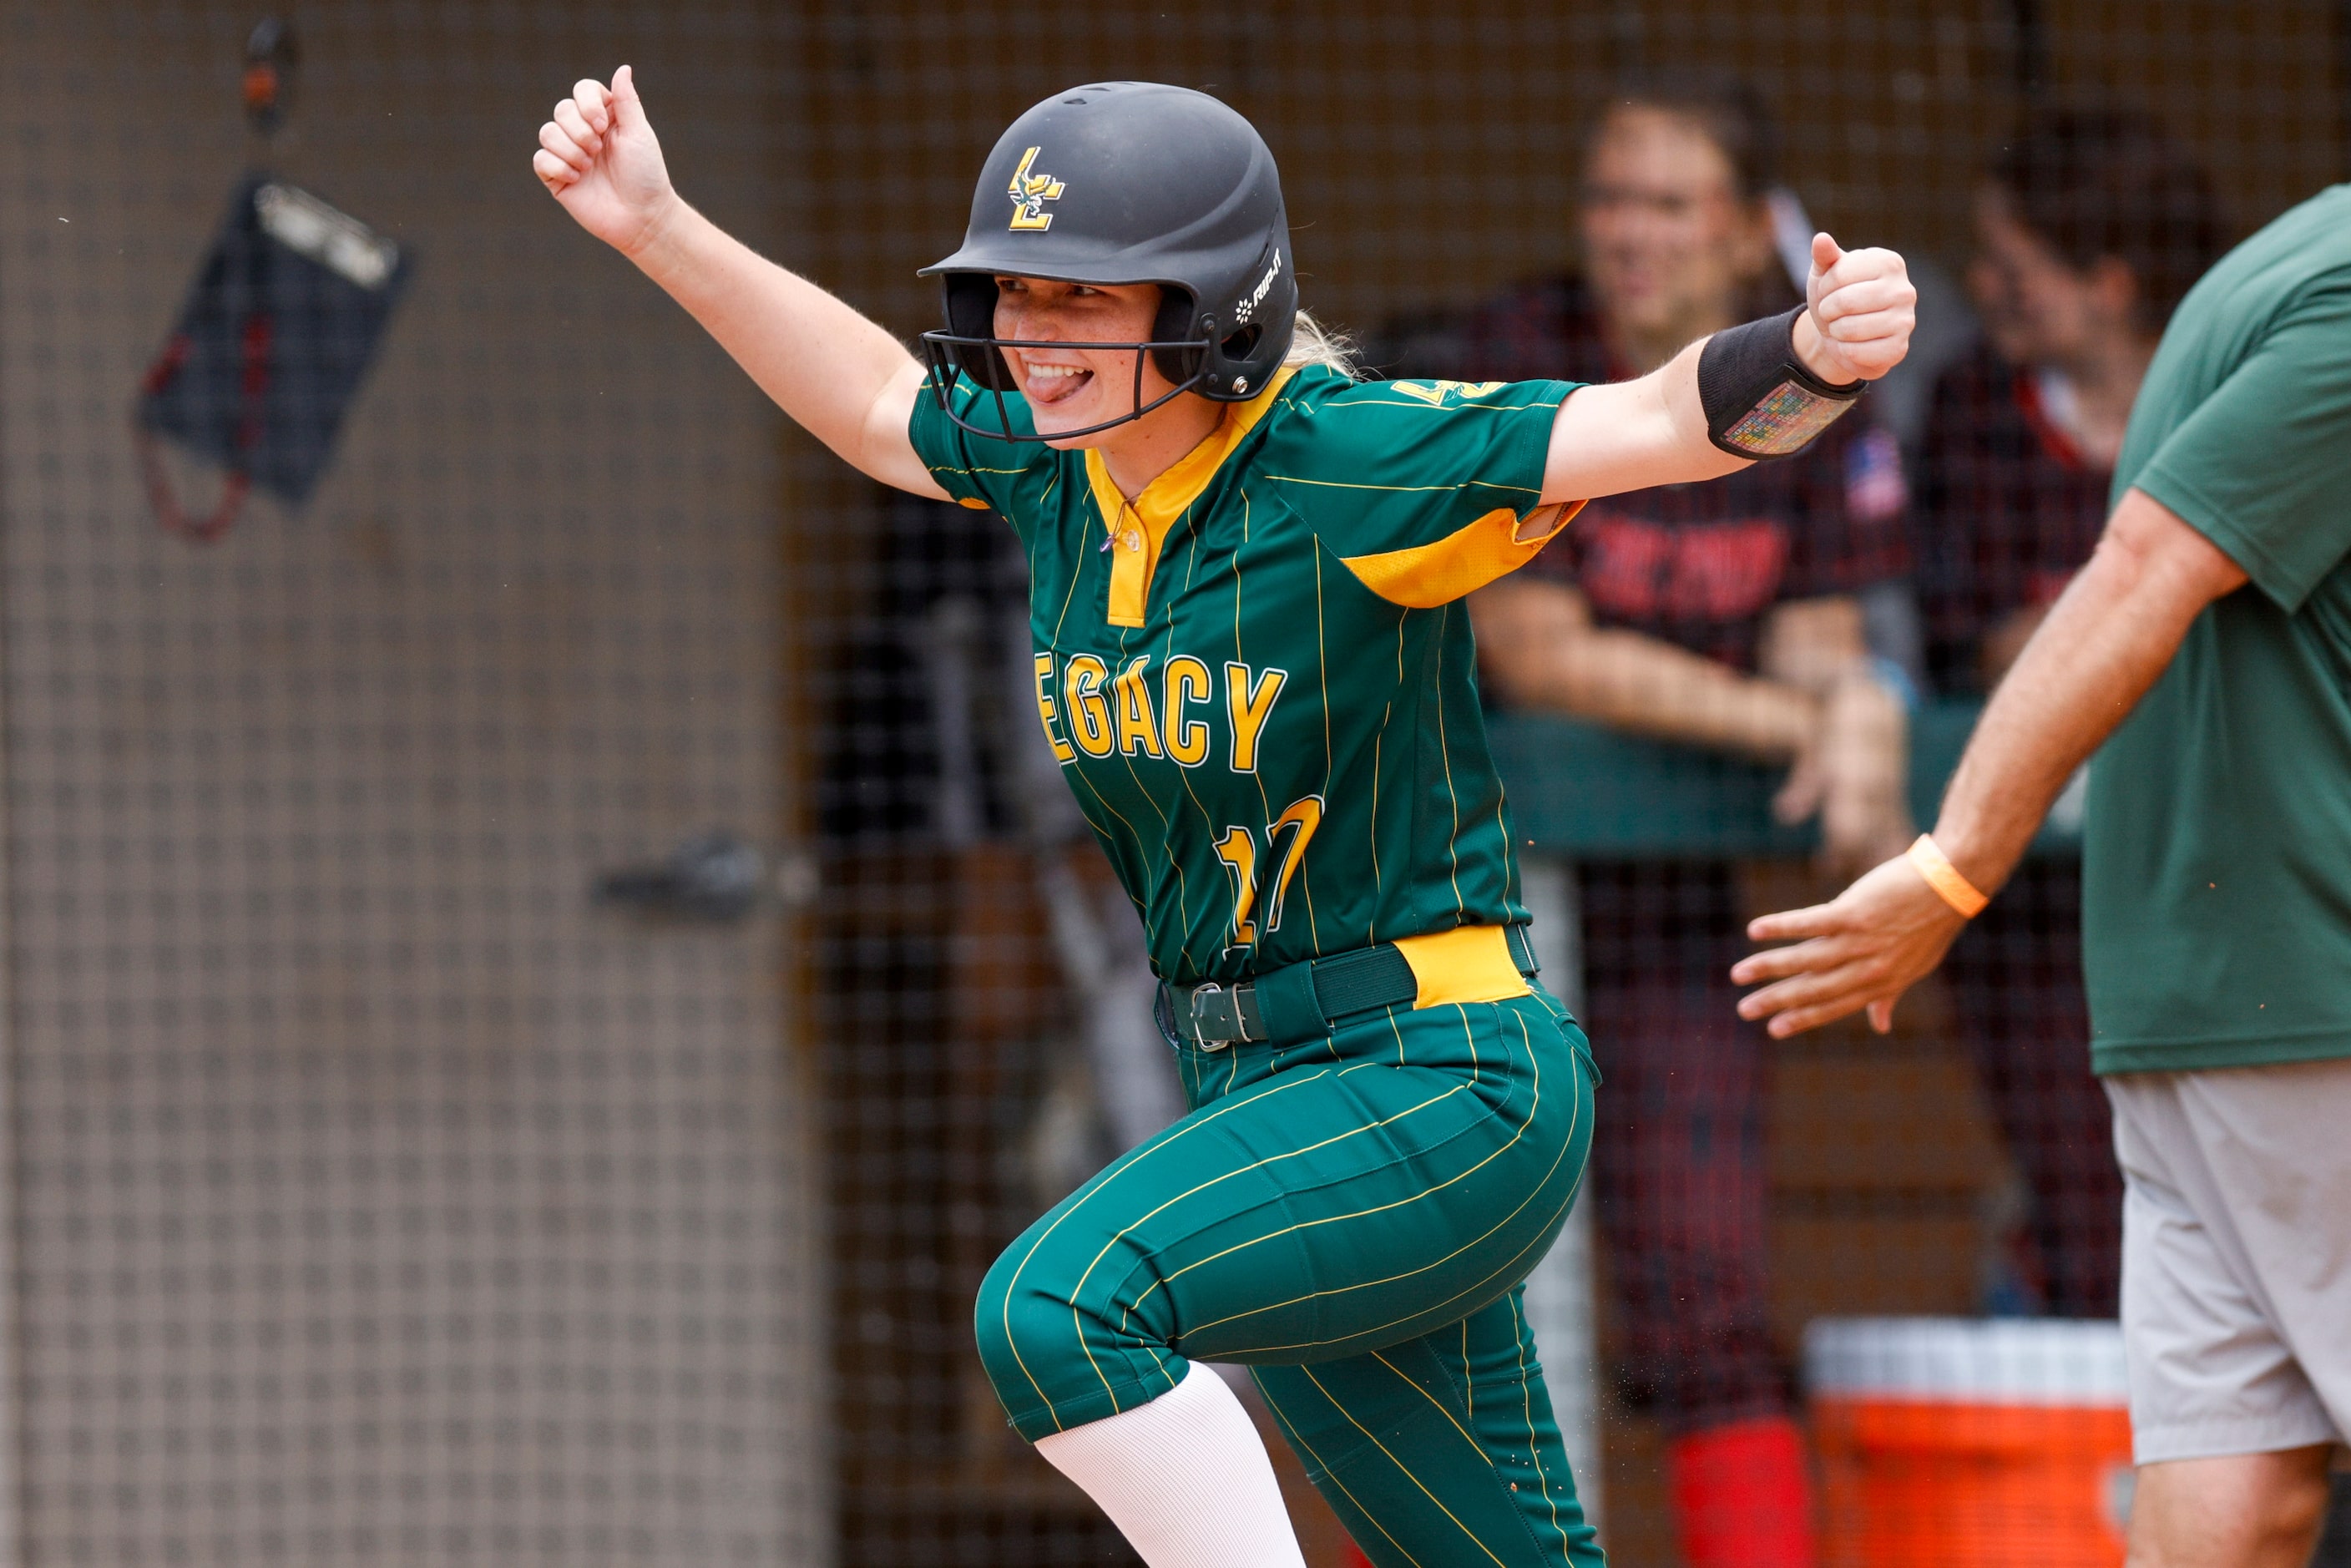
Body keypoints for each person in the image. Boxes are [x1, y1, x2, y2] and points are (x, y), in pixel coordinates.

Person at [535, 67, 1914, 1568]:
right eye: (1010, 291)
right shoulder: (1059, 467)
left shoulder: (1339, 453)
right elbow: (876, 406)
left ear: (1208, 315)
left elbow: (1656, 418)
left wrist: (1819, 358)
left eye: (1082, 297)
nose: (1023, 333)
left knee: (1057, 1308)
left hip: (1441, 1079)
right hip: (1264, 1094)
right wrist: (656, 223)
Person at [1736, 180, 2351, 1568]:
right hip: (2317, 988)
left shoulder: (2275, 255)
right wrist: (1955, 865)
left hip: (2188, 999)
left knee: (2236, 1494)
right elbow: (2141, 565)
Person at [1384, 77, 1911, 1568]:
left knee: (1704, 1283)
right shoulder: (1513, 356)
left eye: (1669, 203)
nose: (1628, 231)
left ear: (1752, 231)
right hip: (1455, 886)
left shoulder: (1798, 387)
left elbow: (1820, 630)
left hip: (1671, 890)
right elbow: (1536, 650)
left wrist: (1858, 701)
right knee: (1439, 1286)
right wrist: (1802, 721)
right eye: (1610, 196)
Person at [1913, 105, 2224, 1319]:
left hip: (2220, 874)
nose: (1981, 282)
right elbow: (1990, 639)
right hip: (2032, 892)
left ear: (2108, 281)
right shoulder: (1977, 410)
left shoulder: (2230, 395)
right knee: (2090, 1202)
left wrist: (2097, 629)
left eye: (2012, 260)